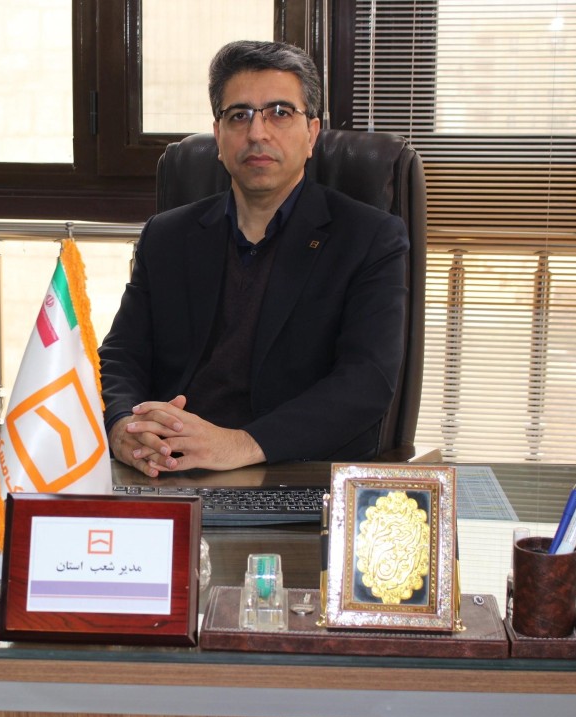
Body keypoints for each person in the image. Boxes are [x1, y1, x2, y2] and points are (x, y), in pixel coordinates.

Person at [98, 40, 409, 478]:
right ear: (218, 136)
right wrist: (122, 427)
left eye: (280, 112)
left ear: (312, 134)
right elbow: (121, 354)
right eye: (239, 115)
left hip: (291, 473)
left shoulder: (369, 238)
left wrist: (240, 444)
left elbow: (366, 382)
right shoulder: (168, 236)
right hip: (166, 468)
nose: (258, 133)